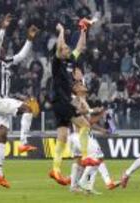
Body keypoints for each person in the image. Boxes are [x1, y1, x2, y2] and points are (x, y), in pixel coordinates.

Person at [0, 14, 39, 188]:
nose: (3, 49)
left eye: (3, 49)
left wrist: (29, 40)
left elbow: (21, 56)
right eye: (1, 49)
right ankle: (23, 142)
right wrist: (2, 29)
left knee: (2, 134)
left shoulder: (8, 62)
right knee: (28, 109)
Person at [49, 19, 97, 186]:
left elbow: (80, 47)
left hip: (59, 102)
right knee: (84, 125)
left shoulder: (70, 61)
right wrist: (61, 31)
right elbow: (59, 46)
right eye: (64, 49)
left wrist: (83, 30)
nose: (67, 50)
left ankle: (55, 169)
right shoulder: (57, 62)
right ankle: (84, 156)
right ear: (60, 51)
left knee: (62, 135)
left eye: (68, 49)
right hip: (61, 100)